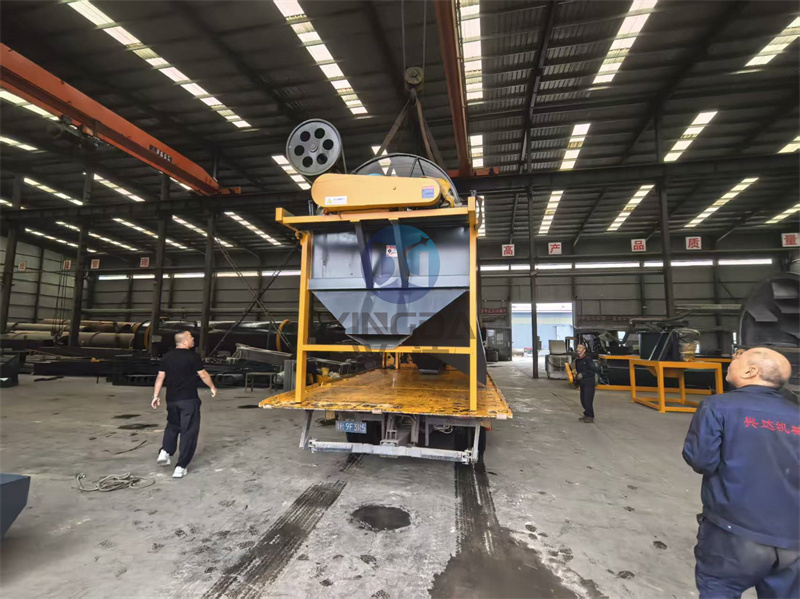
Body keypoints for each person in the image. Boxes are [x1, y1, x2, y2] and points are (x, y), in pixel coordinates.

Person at [683, 347, 798, 599]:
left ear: (750, 371)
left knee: (719, 590)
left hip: (733, 531)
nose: (732, 360)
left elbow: (701, 460)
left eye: (737, 358)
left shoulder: (718, 406)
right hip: (793, 539)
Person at [151, 331, 217, 478]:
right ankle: (181, 467)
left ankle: (165, 451)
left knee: (173, 425)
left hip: (172, 400)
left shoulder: (167, 357)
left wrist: (155, 396)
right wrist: (212, 387)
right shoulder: (192, 357)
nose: (193, 338)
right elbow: (203, 374)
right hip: (188, 400)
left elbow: (160, 377)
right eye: (191, 337)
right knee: (188, 432)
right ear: (185, 341)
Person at [574, 344, 600, 423]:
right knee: (583, 400)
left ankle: (590, 416)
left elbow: (594, 370)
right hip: (582, 383)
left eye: (580, 348)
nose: (578, 349)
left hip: (589, 382)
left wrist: (583, 374)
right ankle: (586, 414)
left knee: (587, 400)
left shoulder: (588, 359)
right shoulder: (578, 360)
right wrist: (576, 381)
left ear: (584, 350)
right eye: (577, 347)